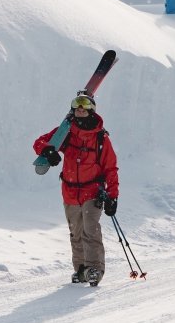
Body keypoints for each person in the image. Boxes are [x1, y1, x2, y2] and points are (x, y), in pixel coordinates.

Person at [33, 92, 120, 286]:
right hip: (70, 191)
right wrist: (48, 150)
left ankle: (94, 269)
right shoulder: (65, 131)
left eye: (84, 107)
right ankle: (81, 269)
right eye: (77, 106)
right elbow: (39, 142)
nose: (80, 110)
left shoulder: (101, 138)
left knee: (90, 230)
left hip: (92, 191)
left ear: (91, 110)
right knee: (76, 232)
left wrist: (112, 196)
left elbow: (110, 168)